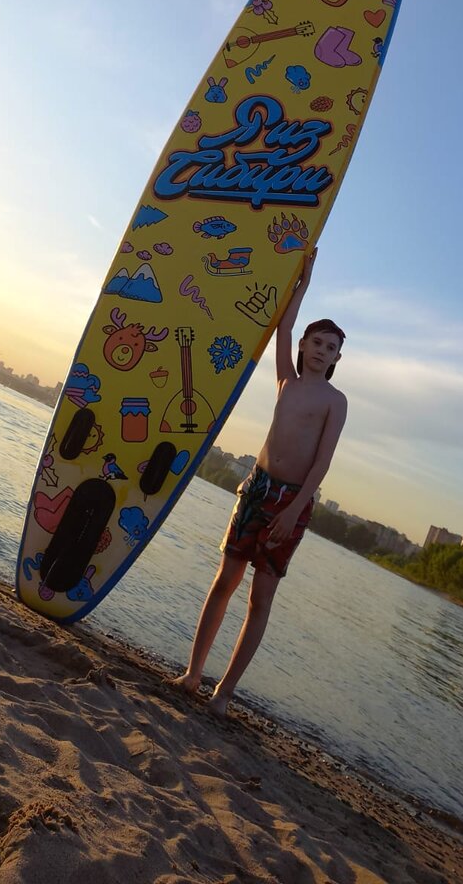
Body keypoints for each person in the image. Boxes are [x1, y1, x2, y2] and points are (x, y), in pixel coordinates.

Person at [171, 247, 347, 716]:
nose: (320, 350)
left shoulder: (335, 400)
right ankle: (192, 674)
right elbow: (282, 329)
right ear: (305, 346)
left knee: (259, 598)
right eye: (316, 342)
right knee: (224, 580)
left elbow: (322, 463)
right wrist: (303, 281)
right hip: (257, 488)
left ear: (335, 359)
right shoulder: (286, 382)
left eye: (330, 348)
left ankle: (224, 693)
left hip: (291, 502)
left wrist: (293, 511)